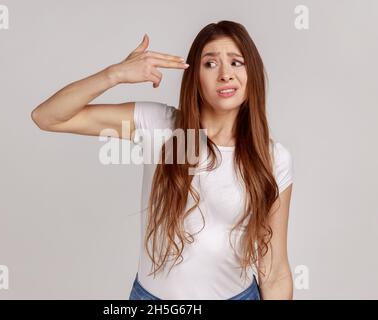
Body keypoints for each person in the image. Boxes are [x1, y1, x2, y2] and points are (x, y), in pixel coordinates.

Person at [31, 20, 294, 300]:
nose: (225, 74)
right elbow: (47, 117)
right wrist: (114, 74)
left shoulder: (274, 158)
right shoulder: (160, 126)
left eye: (236, 62)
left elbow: (275, 270)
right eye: (210, 64)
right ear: (195, 77)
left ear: (251, 73)